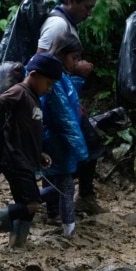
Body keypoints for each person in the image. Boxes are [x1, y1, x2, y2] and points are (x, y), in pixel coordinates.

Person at [0, 52, 63, 248]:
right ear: (34, 75)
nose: (49, 88)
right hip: (15, 159)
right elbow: (0, 102)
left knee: (28, 205)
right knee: (32, 204)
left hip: (27, 160)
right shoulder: (20, 91)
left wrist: (40, 154)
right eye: (48, 83)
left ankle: (18, 243)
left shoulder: (35, 99)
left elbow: (30, 134)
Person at [35, 0, 106, 215]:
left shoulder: (67, 23)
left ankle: (62, 204)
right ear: (72, 0)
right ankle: (61, 205)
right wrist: (77, 68)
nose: (89, 13)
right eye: (87, 7)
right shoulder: (57, 25)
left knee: (70, 152)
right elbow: (40, 62)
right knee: (69, 151)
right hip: (54, 103)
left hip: (64, 99)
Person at [39, 32, 89, 237]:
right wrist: (80, 148)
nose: (76, 62)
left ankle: (34, 204)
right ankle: (68, 228)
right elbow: (64, 116)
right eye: (74, 58)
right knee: (65, 185)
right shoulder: (56, 79)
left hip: (53, 137)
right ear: (62, 54)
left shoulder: (58, 75)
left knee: (57, 182)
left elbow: (69, 96)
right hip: (57, 139)